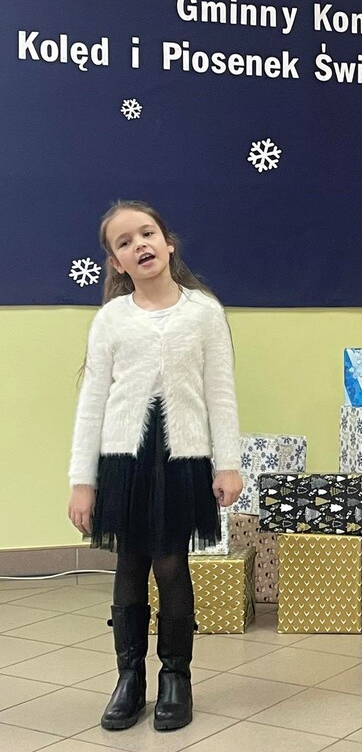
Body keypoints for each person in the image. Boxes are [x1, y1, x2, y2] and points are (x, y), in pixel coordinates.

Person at [67, 201, 242, 732]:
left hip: (182, 458)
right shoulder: (111, 320)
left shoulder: (204, 312)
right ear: (116, 263)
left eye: (146, 234)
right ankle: (129, 679)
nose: (139, 245)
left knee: (171, 564)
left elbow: (220, 394)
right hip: (124, 460)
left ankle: (175, 678)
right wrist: (82, 481)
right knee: (129, 564)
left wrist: (228, 464)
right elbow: (92, 403)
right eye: (124, 242)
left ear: (168, 243)